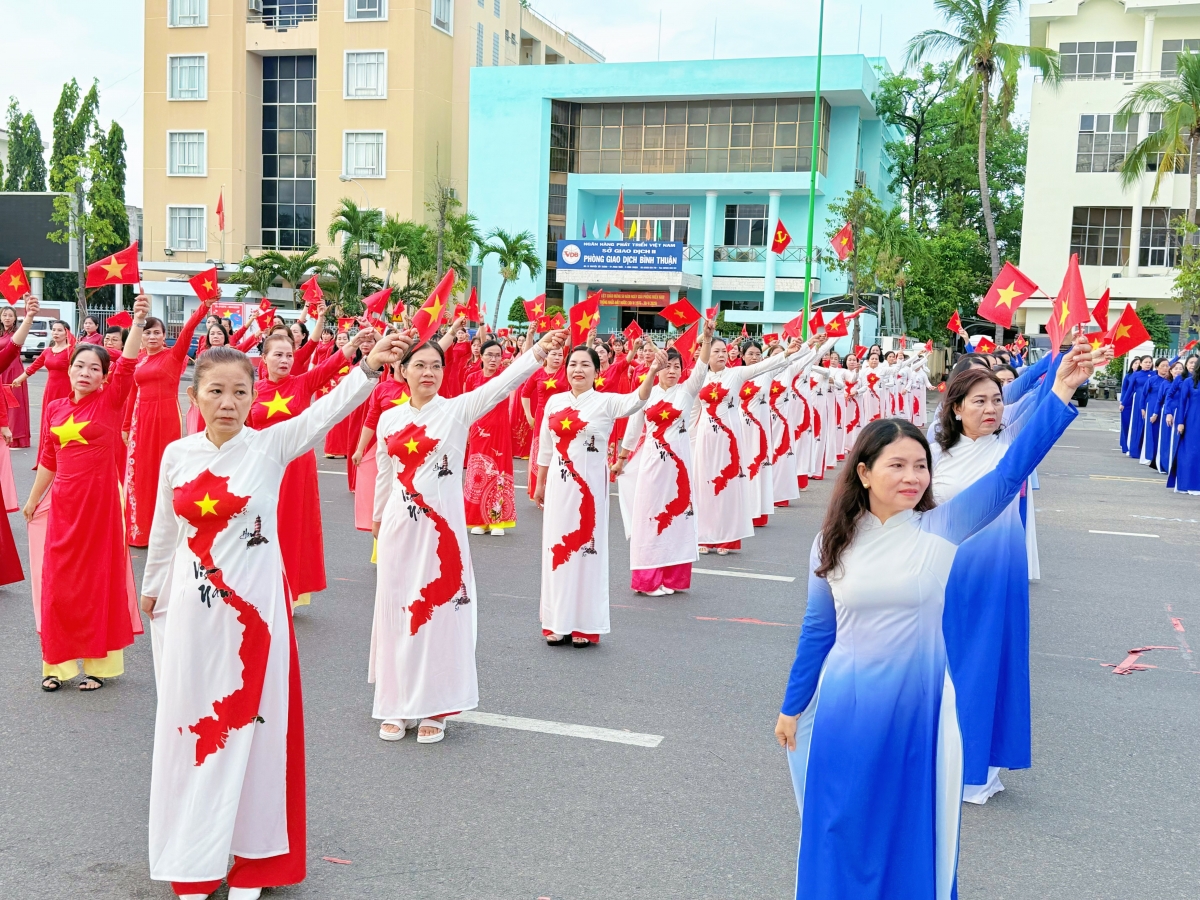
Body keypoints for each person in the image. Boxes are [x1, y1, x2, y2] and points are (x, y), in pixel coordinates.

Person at [775, 338, 1098, 900]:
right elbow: (817, 630)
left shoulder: (940, 530)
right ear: (864, 473)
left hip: (920, 712)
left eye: (920, 465)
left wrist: (1063, 389)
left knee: (911, 831)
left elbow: (1007, 475)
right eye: (896, 465)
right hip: (845, 711)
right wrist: (791, 706)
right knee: (840, 826)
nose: (913, 476)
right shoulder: (831, 544)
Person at [140, 332, 405, 900]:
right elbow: (166, 530)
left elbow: (323, 412)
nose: (228, 402)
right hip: (192, 615)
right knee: (193, 730)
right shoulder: (176, 455)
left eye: (240, 391)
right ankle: (195, 858)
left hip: (256, 621)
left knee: (255, 732)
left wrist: (366, 365)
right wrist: (152, 588)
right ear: (195, 396)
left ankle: (257, 861)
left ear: (254, 396)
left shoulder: (270, 446)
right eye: (216, 390)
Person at [370, 328, 566, 743]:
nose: (429, 372)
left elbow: (502, 385)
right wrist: (376, 521)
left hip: (442, 535)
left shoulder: (455, 411)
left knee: (439, 615)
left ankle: (435, 708)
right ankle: (396, 704)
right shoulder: (391, 418)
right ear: (402, 371)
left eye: (436, 366)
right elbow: (385, 477)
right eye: (419, 365)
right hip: (398, 531)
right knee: (399, 614)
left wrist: (536, 351)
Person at [23, 294, 150, 692]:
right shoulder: (57, 408)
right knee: (57, 581)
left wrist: (139, 322)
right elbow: (48, 456)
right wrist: (31, 500)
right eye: (79, 365)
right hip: (62, 503)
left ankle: (99, 665)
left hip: (99, 505)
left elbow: (128, 366)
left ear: (103, 376)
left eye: (94, 368)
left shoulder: (111, 401)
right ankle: (56, 664)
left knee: (97, 581)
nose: (84, 372)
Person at [534, 345, 661, 646]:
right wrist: (539, 484)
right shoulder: (554, 401)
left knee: (585, 551)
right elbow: (545, 449)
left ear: (596, 370)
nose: (578, 370)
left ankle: (584, 624)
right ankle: (557, 621)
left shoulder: (605, 402)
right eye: (573, 364)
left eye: (585, 365)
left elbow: (635, 402)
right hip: (558, 484)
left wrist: (653, 372)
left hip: (589, 489)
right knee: (557, 550)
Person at [249, 326, 375, 606]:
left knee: (290, 528)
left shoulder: (302, 383)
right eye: (278, 355)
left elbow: (332, 366)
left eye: (289, 355)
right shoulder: (252, 390)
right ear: (264, 358)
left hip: (296, 468)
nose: (285, 360)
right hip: (262, 467)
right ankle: (258, 589)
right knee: (258, 527)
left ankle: (288, 592)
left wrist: (354, 342)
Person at [614, 317, 714, 596]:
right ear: (657, 369)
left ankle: (671, 578)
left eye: (677, 366)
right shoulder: (647, 393)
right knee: (651, 518)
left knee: (678, 518)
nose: (672, 371)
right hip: (652, 466)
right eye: (667, 366)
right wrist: (621, 459)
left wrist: (706, 339)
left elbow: (702, 368)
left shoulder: (687, 392)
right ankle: (647, 580)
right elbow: (633, 429)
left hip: (679, 468)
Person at [692, 336, 808, 555]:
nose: (720, 355)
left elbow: (765, 366)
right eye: (715, 351)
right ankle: (704, 536)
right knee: (705, 487)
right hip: (706, 440)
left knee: (729, 487)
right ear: (706, 355)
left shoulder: (736, 374)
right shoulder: (699, 379)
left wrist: (787, 353)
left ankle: (727, 538)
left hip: (730, 439)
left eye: (723, 352)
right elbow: (692, 414)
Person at [124, 301, 212, 546]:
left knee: (165, 472)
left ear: (164, 336)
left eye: (156, 332)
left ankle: (167, 532)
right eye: (147, 332)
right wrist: (124, 426)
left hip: (166, 420)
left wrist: (204, 307)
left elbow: (188, 330)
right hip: (140, 421)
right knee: (141, 473)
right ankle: (140, 530)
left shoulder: (173, 356)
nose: (152, 336)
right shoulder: (138, 361)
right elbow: (132, 394)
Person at [463, 336, 530, 535]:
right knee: (478, 472)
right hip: (477, 430)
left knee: (498, 472)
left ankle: (497, 520)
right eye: (489, 355)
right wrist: (466, 430)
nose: (493, 359)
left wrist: (530, 337)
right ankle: (478, 520)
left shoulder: (504, 377)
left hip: (500, 430)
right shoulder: (471, 378)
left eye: (498, 355)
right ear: (481, 356)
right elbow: (466, 407)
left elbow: (524, 362)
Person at [14, 319, 73, 461]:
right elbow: (33, 367)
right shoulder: (47, 351)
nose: (55, 333)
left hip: (66, 390)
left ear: (67, 333)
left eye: (60, 330)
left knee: (64, 422)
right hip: (50, 391)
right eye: (54, 330)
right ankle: (47, 458)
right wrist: (18, 379)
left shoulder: (72, 350)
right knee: (49, 423)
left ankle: (64, 457)